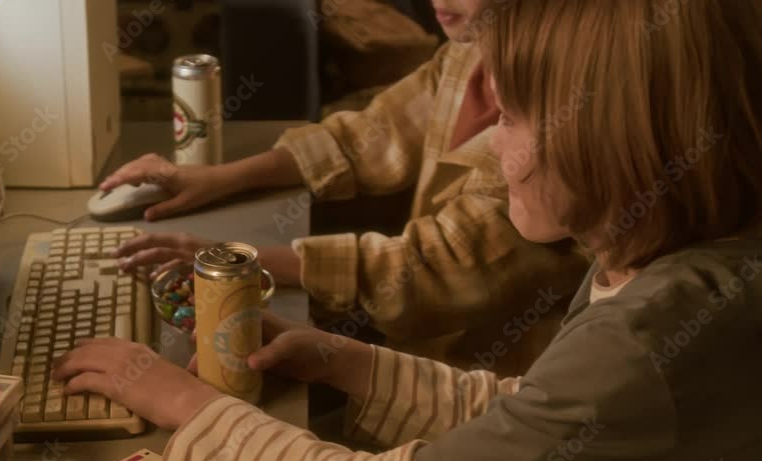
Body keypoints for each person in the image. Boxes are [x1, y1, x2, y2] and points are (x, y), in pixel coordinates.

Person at [53, 0, 762, 461]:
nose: (489, 146)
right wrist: (345, 361)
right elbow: (524, 416)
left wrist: (174, 396)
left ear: (603, 137)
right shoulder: (653, 260)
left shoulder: (650, 334)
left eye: (509, 119)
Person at [100, 0, 589, 376]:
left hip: (483, 387)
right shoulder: (467, 54)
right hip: (411, 356)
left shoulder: (558, 115)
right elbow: (370, 134)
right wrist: (218, 178)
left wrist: (235, 262)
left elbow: (428, 269)